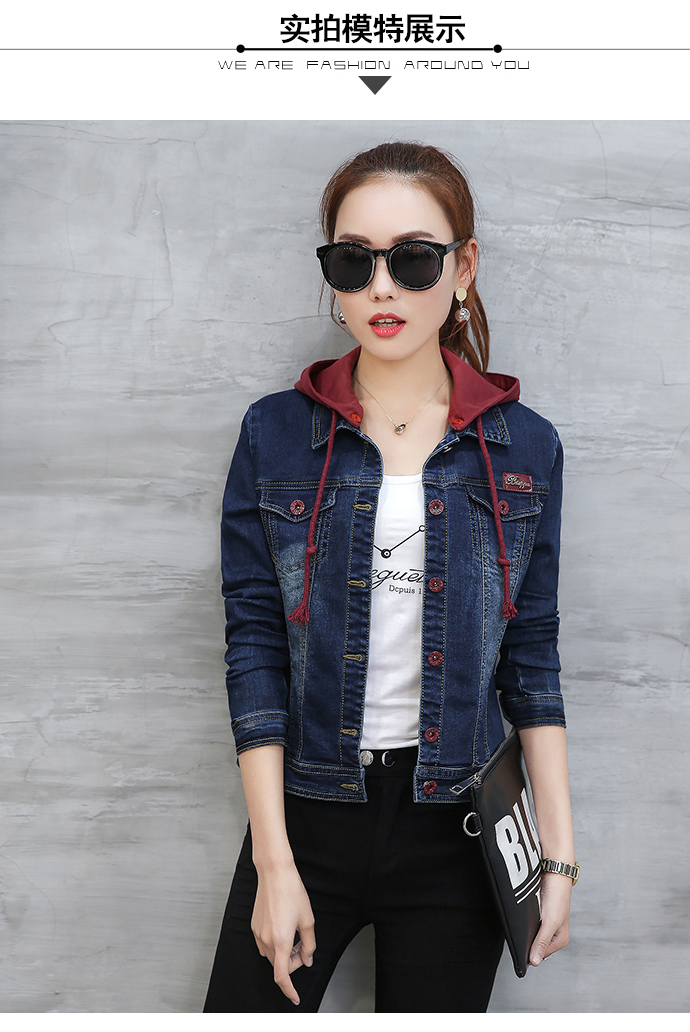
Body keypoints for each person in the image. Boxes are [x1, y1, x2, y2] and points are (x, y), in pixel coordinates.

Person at [203, 141, 576, 1013]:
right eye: (353, 261)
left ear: (463, 267)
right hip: (306, 813)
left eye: (412, 261)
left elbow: (533, 659)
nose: (381, 288)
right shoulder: (275, 434)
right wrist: (274, 862)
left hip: (460, 830)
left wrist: (557, 858)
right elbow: (254, 647)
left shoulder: (526, 447)